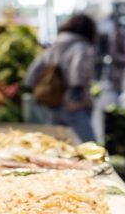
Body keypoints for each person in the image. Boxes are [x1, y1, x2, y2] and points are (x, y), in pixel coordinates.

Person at [24, 14, 97, 142]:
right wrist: (76, 96)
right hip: (73, 102)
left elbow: (34, 69)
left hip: (53, 100)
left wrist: (29, 88)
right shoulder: (82, 46)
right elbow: (77, 70)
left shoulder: (55, 45)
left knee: (58, 142)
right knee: (90, 144)